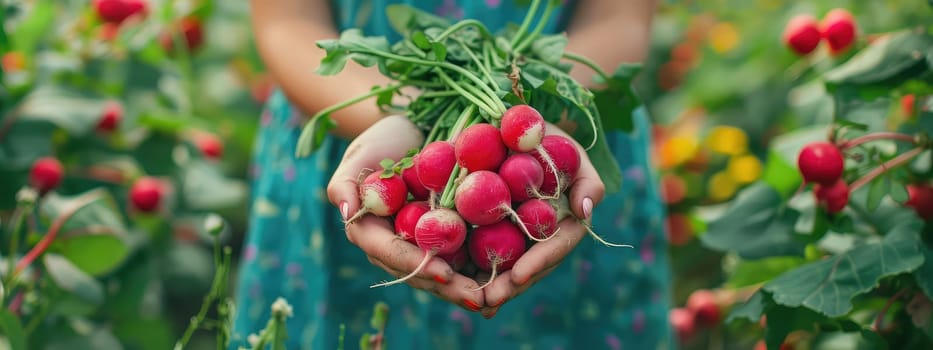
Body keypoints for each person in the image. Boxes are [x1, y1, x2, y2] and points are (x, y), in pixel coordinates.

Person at [233, 1, 672, 349]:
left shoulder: (539, 155)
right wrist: (405, 113)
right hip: (353, 106)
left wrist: (540, 110)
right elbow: (286, 21)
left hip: (564, 114)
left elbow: (620, 16)